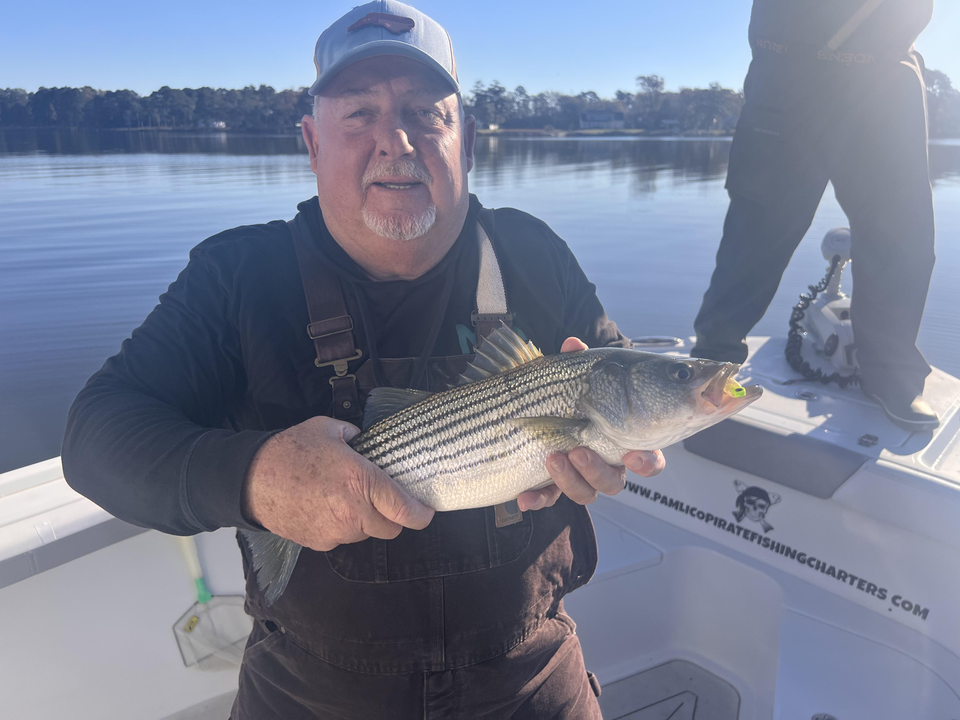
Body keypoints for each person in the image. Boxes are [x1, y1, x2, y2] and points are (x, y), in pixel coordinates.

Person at [61, 2, 665, 717]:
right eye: (358, 115)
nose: (396, 141)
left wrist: (614, 452)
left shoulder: (532, 254)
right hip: (309, 690)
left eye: (423, 112)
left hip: (528, 676)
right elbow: (96, 437)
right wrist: (256, 480)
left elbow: (620, 370)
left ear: (467, 141)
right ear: (312, 143)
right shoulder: (239, 276)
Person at [691, 0, 939, 432]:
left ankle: (892, 376)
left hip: (885, 79)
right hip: (788, 72)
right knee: (755, 234)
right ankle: (713, 363)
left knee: (902, 241)